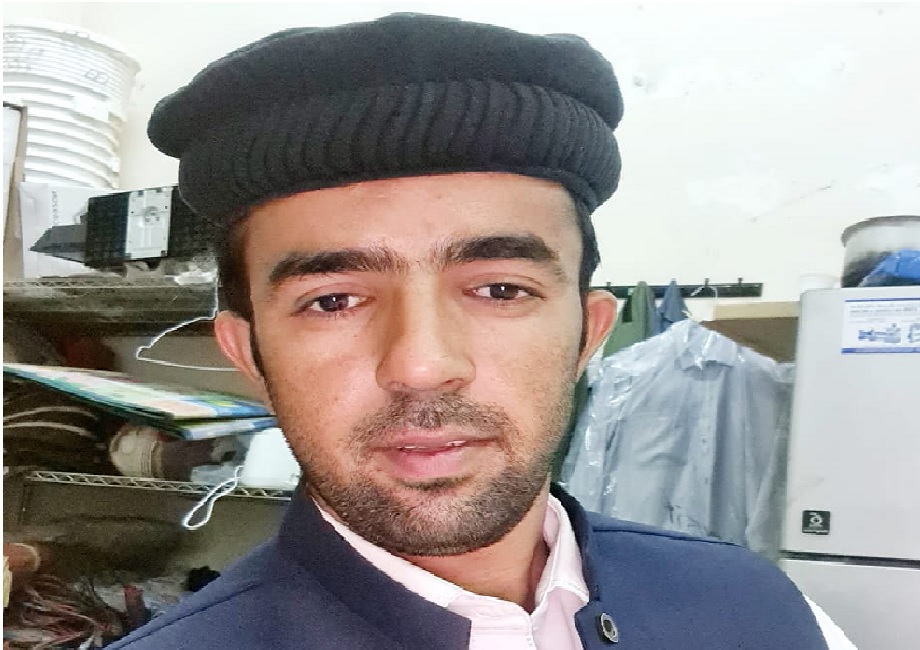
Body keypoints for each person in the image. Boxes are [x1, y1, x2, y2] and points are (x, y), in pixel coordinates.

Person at [109, 13, 854, 650]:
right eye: (333, 300)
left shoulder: (751, 611)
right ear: (249, 353)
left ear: (588, 334)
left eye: (501, 290)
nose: (422, 365)